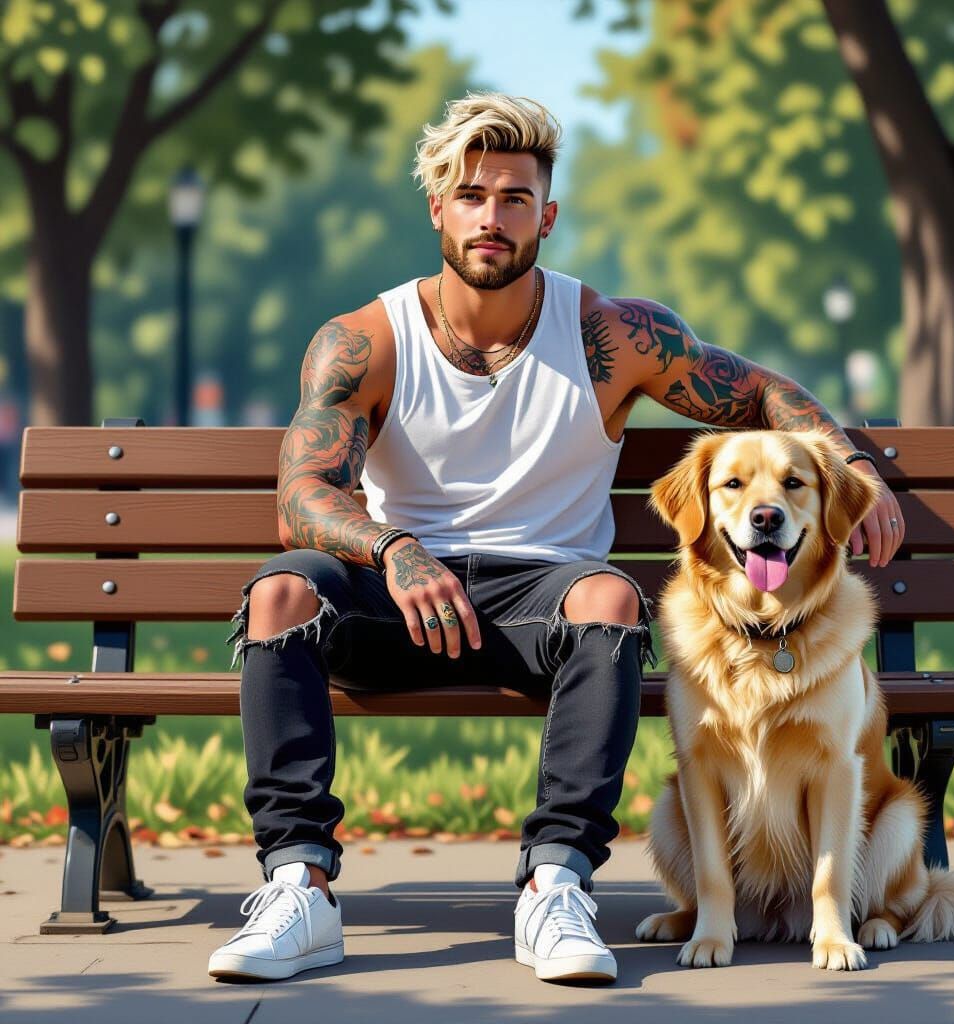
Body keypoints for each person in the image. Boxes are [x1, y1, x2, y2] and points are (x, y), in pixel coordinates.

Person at [208, 92, 905, 984]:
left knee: (611, 595)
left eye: (513, 197)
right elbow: (302, 493)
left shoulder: (613, 334)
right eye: (470, 195)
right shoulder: (365, 340)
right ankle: (297, 888)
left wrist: (849, 461)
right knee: (280, 591)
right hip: (398, 597)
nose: (490, 217)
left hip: (544, 606)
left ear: (548, 213)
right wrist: (394, 549)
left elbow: (762, 394)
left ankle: (555, 886)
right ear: (437, 208)